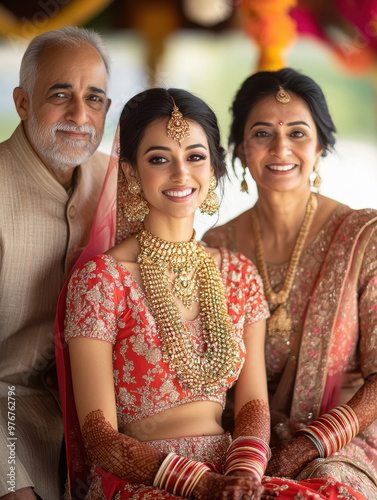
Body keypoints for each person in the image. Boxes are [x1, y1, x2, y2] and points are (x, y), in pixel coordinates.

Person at [55, 87, 273, 499]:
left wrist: (243, 475)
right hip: (142, 480)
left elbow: (252, 408)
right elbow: (99, 436)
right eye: (159, 159)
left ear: (213, 169)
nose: (180, 174)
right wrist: (202, 485)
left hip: (234, 473)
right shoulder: (102, 281)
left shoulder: (239, 275)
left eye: (195, 156)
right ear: (132, 173)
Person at [203, 68, 377, 499]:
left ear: (320, 146)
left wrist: (308, 444)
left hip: (344, 443)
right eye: (262, 133)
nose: (281, 147)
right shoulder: (215, 247)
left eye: (298, 133)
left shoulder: (362, 236)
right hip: (243, 440)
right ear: (241, 151)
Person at [0, 26, 111, 499]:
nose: (79, 115)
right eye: (60, 94)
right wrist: (10, 480)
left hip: (100, 419)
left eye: (95, 98)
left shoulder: (117, 182)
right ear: (23, 102)